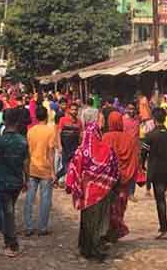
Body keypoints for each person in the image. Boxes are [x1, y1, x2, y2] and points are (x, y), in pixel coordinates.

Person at [65, 108, 118, 261]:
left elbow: (74, 169)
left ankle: (85, 248)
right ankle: (96, 251)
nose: (102, 121)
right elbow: (113, 169)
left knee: (87, 220)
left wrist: (73, 186)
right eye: (100, 119)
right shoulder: (106, 149)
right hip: (101, 191)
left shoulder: (81, 150)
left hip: (86, 193)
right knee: (100, 222)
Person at [0, 109, 29, 258]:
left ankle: (12, 244)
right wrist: (27, 179)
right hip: (17, 181)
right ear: (17, 122)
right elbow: (26, 162)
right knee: (9, 210)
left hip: (3, 181)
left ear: (4, 122)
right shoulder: (23, 141)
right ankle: (9, 241)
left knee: (8, 212)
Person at [141, 108, 167, 240]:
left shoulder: (150, 136)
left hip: (155, 171)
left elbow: (143, 154)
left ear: (154, 120)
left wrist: (142, 167)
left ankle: (164, 228)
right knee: (161, 197)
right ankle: (163, 226)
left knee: (160, 199)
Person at [102, 112, 139, 242]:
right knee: (121, 205)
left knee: (110, 206)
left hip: (109, 179)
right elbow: (134, 158)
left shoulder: (105, 137)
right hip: (124, 180)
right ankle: (117, 230)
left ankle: (109, 230)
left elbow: (102, 158)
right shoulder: (129, 139)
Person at [24, 106, 57, 236]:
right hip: (45, 169)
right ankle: (42, 227)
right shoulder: (50, 131)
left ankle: (28, 226)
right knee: (45, 199)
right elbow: (51, 152)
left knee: (29, 199)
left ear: (36, 117)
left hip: (33, 167)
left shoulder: (30, 131)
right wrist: (53, 171)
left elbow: (28, 152)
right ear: (47, 116)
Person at [55, 102, 81, 183]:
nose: (74, 111)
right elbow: (58, 133)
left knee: (72, 166)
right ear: (69, 110)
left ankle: (69, 182)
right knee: (66, 167)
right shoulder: (63, 120)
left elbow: (81, 135)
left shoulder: (79, 122)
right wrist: (59, 145)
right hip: (65, 148)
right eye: (72, 109)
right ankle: (56, 177)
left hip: (74, 148)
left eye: (76, 110)